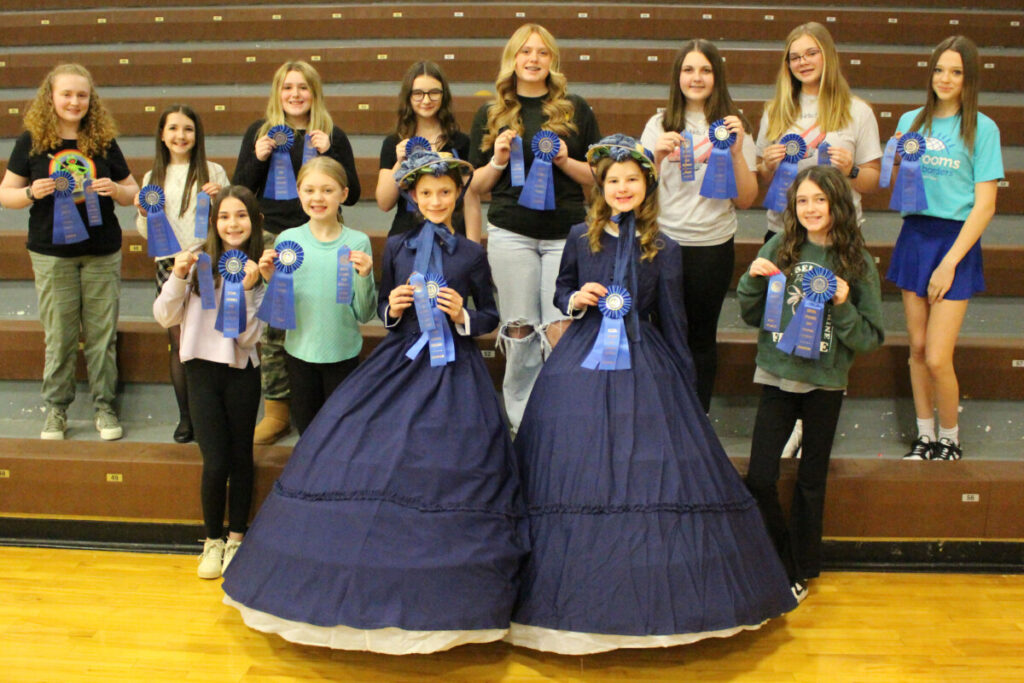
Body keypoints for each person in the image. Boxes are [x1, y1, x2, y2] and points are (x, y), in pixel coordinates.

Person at [222, 151, 526, 654]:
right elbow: (381, 308)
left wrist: (463, 315)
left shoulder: (470, 253)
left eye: (445, 193)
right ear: (412, 196)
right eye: (426, 193)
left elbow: (491, 313)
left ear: (456, 197)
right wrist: (395, 306)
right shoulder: (400, 246)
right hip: (400, 362)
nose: (435, 200)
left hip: (455, 369)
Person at [507, 135, 795, 655]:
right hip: (584, 354)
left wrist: (684, 388)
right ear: (601, 187)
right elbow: (560, 291)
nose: (622, 188)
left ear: (647, 187)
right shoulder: (578, 237)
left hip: (645, 357)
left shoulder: (666, 247)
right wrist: (575, 298)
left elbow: (675, 320)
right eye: (613, 181)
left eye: (632, 181)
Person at [738, 165, 884, 601]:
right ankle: (779, 560)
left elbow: (871, 337)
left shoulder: (856, 262)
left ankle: (801, 570)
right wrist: (751, 279)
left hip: (825, 384)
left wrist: (841, 304)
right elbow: (751, 314)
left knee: (810, 481)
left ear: (837, 204)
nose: (811, 208)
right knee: (761, 477)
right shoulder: (781, 245)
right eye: (802, 200)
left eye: (819, 199)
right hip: (777, 376)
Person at [756, 22, 883, 457]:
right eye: (795, 56)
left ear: (827, 55)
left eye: (811, 53)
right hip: (784, 233)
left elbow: (871, 181)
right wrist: (769, 163)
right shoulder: (775, 111)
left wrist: (850, 171)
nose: (803, 62)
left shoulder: (857, 111)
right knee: (786, 328)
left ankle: (814, 421)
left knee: (827, 331)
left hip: (839, 239)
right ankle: (788, 421)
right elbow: (760, 180)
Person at [469, 23, 601, 433]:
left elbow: (597, 178)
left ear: (552, 61)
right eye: (525, 51)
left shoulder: (575, 108)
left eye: (542, 52)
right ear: (512, 59)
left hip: (566, 234)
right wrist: (498, 160)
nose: (533, 59)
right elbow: (474, 186)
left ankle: (561, 418)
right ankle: (520, 422)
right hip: (511, 234)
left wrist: (564, 161)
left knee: (561, 330)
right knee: (521, 330)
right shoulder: (490, 113)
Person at [0, 63, 139, 441]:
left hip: (101, 250)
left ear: (90, 100)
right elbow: (5, 194)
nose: (74, 101)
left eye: (82, 95)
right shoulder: (31, 140)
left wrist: (117, 190)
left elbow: (134, 193)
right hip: (51, 252)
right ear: (51, 98)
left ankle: (104, 406)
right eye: (67, 94)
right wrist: (31, 193)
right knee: (59, 335)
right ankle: (56, 410)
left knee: (101, 334)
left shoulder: (104, 141)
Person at [887, 37, 1002, 462]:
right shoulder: (911, 121)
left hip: (956, 245)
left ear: (969, 78)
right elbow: (902, 189)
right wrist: (895, 161)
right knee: (917, 348)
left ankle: (950, 437)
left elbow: (986, 204)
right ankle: (925, 436)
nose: (945, 79)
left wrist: (950, 262)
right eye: (939, 70)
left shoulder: (983, 128)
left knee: (937, 355)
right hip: (915, 237)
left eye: (956, 71)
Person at [233, 60, 361, 445]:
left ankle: (325, 405)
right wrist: (257, 157)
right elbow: (240, 190)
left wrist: (331, 151)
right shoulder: (261, 132)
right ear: (277, 92)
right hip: (275, 237)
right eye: (288, 87)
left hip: (323, 239)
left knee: (317, 314)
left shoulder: (331, 134)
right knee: (275, 326)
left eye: (303, 87)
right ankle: (277, 411)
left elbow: (351, 192)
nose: (295, 94)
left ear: (314, 93)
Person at [640, 40, 759, 412]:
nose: (696, 77)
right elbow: (635, 194)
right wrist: (655, 156)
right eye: (688, 69)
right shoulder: (657, 125)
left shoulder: (735, 127)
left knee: (701, 337)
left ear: (717, 77)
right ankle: (663, 414)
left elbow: (746, 200)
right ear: (677, 77)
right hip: (662, 244)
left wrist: (737, 152)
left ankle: (698, 416)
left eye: (705, 70)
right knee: (659, 335)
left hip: (712, 246)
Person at [153, 186, 265, 579]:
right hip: (200, 372)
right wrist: (178, 277)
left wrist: (251, 291)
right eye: (224, 217)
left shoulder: (260, 270)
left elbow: (249, 338)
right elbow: (165, 316)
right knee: (215, 462)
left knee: (240, 459)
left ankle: (237, 539)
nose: (233, 224)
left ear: (254, 222)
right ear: (213, 223)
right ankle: (212, 541)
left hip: (241, 374)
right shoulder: (197, 263)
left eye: (241, 216)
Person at [258, 157, 376, 435]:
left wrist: (364, 277)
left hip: (343, 355)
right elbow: (279, 313)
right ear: (298, 193)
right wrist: (270, 280)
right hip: (300, 355)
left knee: (340, 434)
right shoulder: (287, 241)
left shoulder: (358, 242)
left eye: (327, 190)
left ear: (343, 194)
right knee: (308, 433)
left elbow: (365, 312)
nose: (318, 198)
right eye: (309, 190)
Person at [135, 104, 230, 443]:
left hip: (207, 260)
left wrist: (220, 201)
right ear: (162, 135)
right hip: (170, 265)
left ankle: (212, 414)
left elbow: (230, 221)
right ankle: (186, 417)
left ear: (197, 134)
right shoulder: (151, 178)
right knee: (178, 343)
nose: (180, 135)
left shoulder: (214, 171)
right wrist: (144, 214)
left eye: (188, 129)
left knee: (211, 335)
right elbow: (147, 233)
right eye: (173, 128)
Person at [376, 60, 481, 241]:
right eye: (418, 93)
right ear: (408, 97)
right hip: (407, 239)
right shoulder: (394, 142)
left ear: (444, 96)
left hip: (452, 238)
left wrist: (473, 250)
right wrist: (399, 163)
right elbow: (384, 203)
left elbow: (471, 202)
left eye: (434, 93)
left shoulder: (461, 142)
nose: (426, 100)